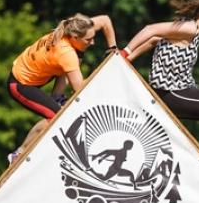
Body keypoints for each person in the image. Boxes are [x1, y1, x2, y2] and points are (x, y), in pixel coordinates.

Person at [122, 0, 199, 186]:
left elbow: (154, 39)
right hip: (172, 93)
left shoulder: (192, 31)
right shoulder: (189, 28)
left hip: (178, 91)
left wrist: (127, 59)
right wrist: (125, 51)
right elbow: (150, 29)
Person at [7, 13, 117, 163]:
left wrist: (113, 48)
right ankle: (18, 153)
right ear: (74, 37)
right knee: (54, 118)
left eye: (93, 37)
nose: (93, 42)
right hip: (20, 84)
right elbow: (79, 89)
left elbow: (105, 21)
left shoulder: (77, 28)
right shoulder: (66, 53)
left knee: (73, 62)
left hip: (34, 72)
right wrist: (105, 75)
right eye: (88, 39)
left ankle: (57, 97)